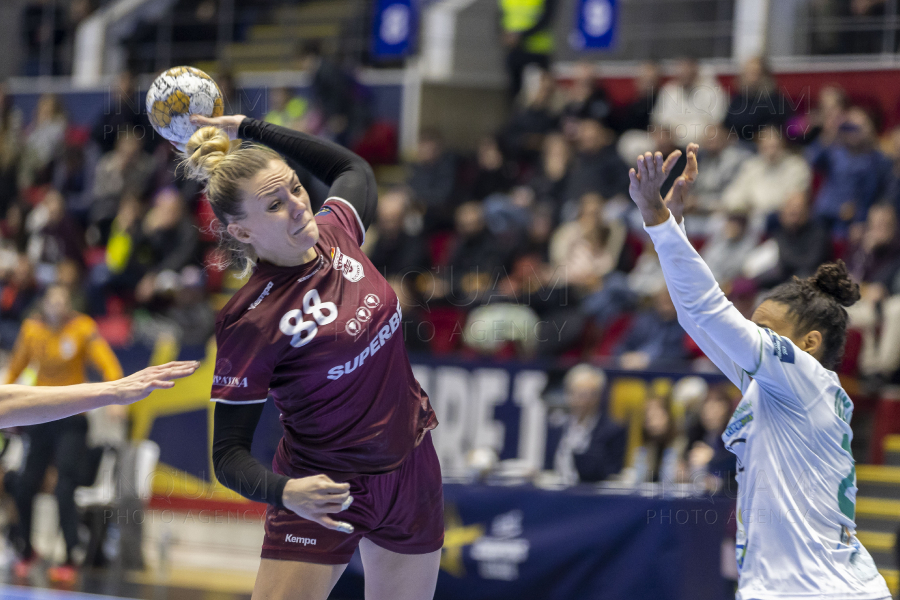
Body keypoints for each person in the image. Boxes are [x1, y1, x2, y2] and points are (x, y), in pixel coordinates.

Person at [184, 112, 443, 600]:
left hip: (410, 467)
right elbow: (227, 456)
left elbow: (354, 170)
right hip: (322, 489)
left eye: (297, 190)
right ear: (240, 232)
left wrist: (251, 128)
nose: (299, 207)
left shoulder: (336, 231)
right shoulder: (252, 320)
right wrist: (286, 492)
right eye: (275, 204)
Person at [627, 146, 891, 599]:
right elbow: (696, 318)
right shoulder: (776, 389)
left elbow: (709, 311)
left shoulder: (805, 378)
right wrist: (670, 224)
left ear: (809, 343)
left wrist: (657, 219)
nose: (751, 334)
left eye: (764, 329)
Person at [553, 364, 626, 484]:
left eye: (589, 394)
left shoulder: (613, 430)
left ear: (598, 396)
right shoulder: (557, 424)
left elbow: (609, 472)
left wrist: (578, 448)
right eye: (577, 393)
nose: (582, 400)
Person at [497, 0, 557, 101]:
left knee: (540, 92)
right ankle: (515, 115)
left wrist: (520, 36)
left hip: (538, 50)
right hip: (514, 49)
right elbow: (500, 15)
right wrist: (503, 35)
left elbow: (547, 18)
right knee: (514, 92)